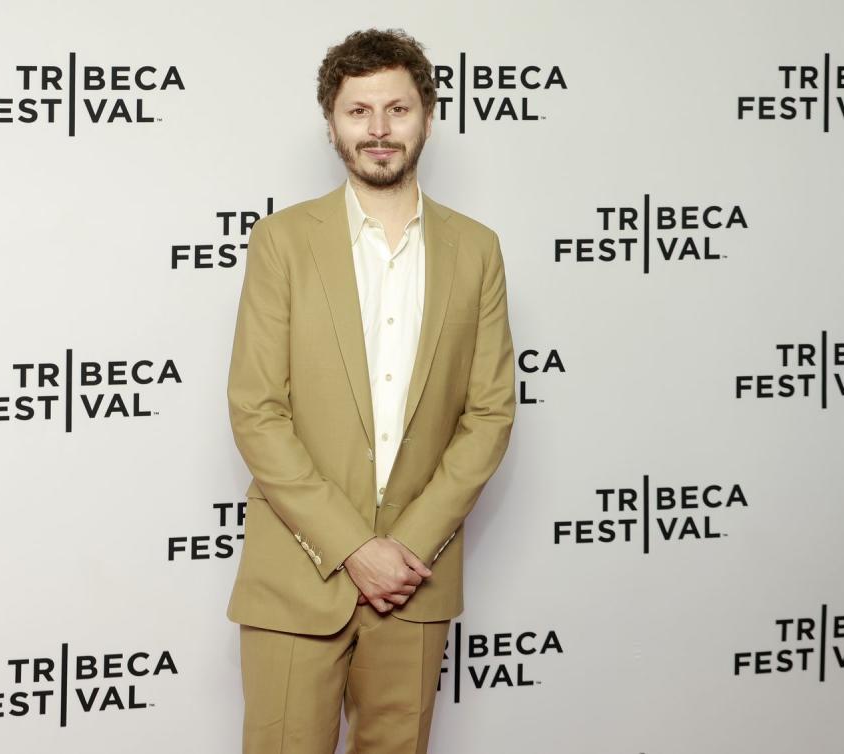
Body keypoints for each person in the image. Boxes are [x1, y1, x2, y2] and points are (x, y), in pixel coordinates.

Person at [226, 27, 516, 754]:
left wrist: (404, 550)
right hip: (296, 575)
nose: (379, 130)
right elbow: (257, 409)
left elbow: (489, 412)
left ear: (428, 116)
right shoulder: (282, 242)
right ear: (332, 123)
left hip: (414, 582)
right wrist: (355, 545)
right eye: (359, 112)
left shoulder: (477, 249)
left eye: (398, 109)